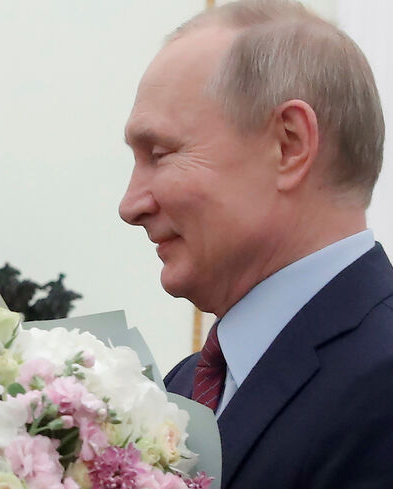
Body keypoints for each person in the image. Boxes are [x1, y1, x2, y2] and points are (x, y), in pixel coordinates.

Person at [119, 1, 393, 488]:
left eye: (160, 154)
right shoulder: (183, 390)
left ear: (289, 144)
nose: (130, 204)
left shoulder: (380, 382)